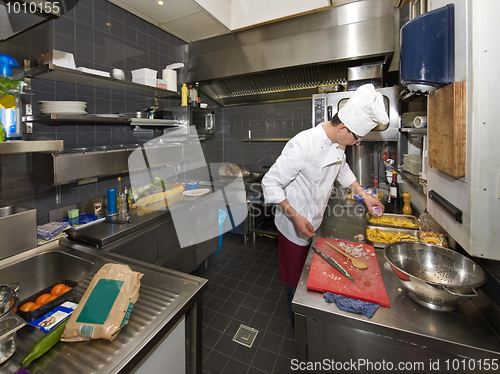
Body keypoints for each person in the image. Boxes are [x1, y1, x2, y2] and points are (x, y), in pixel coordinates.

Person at [261, 84, 387, 327]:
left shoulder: (338, 145)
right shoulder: (303, 144)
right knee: (294, 283)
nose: (357, 143)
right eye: (356, 138)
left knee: (311, 279)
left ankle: (308, 320)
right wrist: (295, 216)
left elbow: (343, 170)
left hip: (314, 222)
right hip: (293, 226)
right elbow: (271, 183)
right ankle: (297, 325)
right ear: (342, 128)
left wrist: (365, 195)